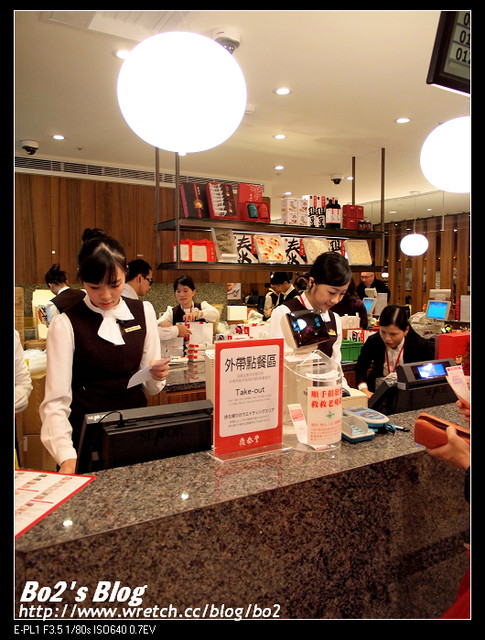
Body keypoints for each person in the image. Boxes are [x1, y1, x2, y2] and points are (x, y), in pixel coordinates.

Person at [40, 228, 168, 474]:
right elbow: (56, 402)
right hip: (84, 440)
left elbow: (151, 388)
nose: (106, 295)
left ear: (125, 273)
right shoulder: (66, 324)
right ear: (82, 281)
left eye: (114, 284)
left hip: (134, 434)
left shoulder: (144, 312)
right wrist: (66, 455)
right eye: (94, 287)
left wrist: (157, 375)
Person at [269, 252, 352, 367]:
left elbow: (335, 364)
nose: (335, 300)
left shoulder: (335, 319)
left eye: (342, 294)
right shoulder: (284, 313)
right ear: (312, 282)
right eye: (332, 292)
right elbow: (278, 362)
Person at [355, 304, 434, 397]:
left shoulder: (420, 346)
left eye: (393, 334)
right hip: (376, 391)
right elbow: (360, 367)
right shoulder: (374, 341)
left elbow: (427, 375)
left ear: (406, 330)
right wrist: (364, 389)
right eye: (383, 332)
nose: (387, 338)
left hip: (409, 393)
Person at [158, 275, 220, 341]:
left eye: (185, 291)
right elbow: (157, 322)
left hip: (202, 346)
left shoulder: (202, 306)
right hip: (179, 347)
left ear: (193, 292)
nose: (182, 295)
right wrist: (161, 323)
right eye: (178, 291)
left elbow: (215, 314)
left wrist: (198, 314)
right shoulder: (172, 311)